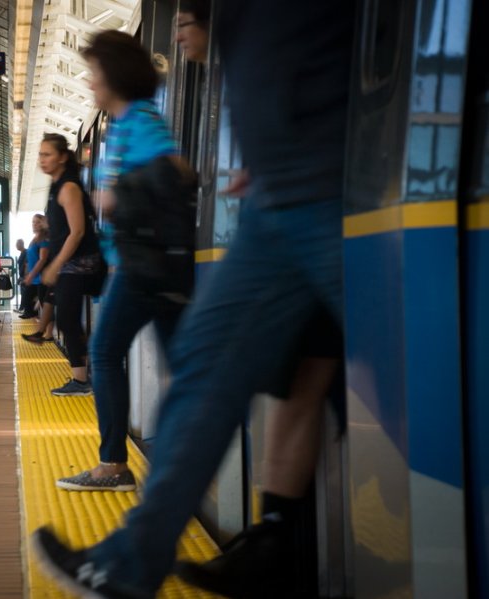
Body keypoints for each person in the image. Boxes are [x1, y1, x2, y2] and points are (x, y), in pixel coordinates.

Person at [33, 0, 354, 595]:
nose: (178, 31)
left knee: (227, 371)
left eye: (185, 21)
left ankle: (144, 548)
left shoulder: (144, 120)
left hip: (310, 192)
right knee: (280, 375)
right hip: (285, 194)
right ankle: (260, 542)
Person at [171, 4, 345, 596]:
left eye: (187, 20)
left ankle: (271, 540)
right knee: (298, 385)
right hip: (300, 221)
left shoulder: (270, 34)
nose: (180, 33)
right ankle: (272, 536)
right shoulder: (245, 57)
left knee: (300, 385)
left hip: (318, 222)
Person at [53, 31, 193, 493]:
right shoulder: (121, 126)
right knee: (184, 368)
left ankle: (113, 465)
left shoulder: (140, 119)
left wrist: (117, 194)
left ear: (114, 74)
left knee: (104, 352)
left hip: (142, 268)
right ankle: (185, 460)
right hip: (138, 267)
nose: (90, 82)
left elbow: (176, 172)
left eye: (94, 73)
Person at [37, 133, 103, 397]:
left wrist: (55, 265)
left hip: (80, 264)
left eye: (47, 154)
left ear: (62, 157)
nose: (42, 160)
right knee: (66, 317)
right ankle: (83, 373)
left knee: (65, 318)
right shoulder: (56, 187)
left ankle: (82, 379)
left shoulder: (69, 188)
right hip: (70, 263)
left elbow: (77, 232)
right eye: (40, 155)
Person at [19, 217, 47, 320]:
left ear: (43, 224)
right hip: (34, 277)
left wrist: (31, 275)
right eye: (33, 222)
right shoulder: (34, 239)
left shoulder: (43, 239)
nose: (34, 224)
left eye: (37, 222)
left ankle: (47, 333)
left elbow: (42, 259)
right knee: (28, 303)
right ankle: (43, 330)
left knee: (45, 304)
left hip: (40, 277)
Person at [15, 238, 28, 311]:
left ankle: (23, 308)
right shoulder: (22, 252)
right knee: (23, 292)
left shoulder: (25, 252)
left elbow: (26, 265)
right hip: (22, 276)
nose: (16, 246)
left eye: (17, 244)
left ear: (20, 244)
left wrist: (24, 276)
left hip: (25, 276)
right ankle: (22, 308)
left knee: (24, 292)